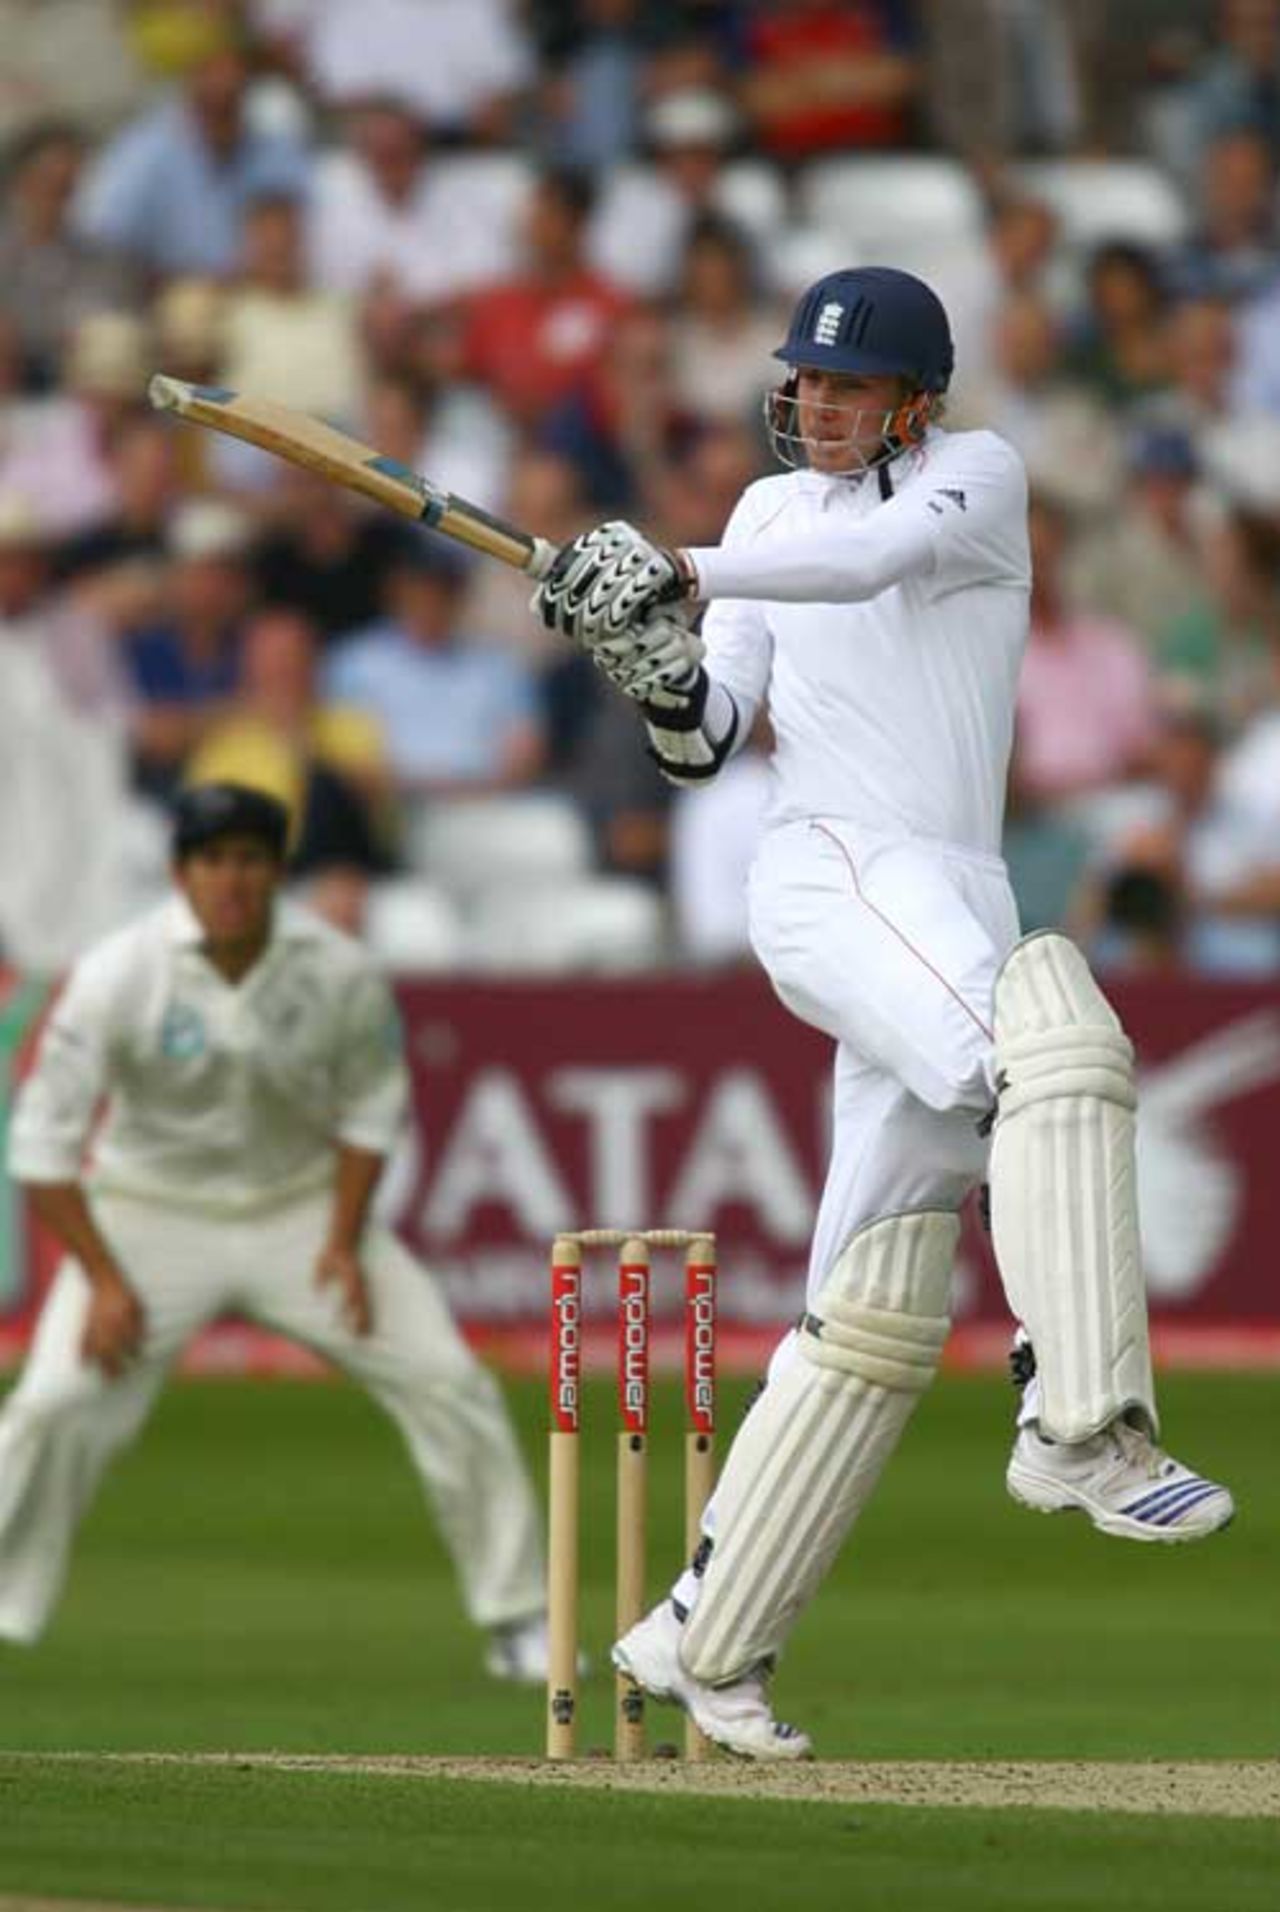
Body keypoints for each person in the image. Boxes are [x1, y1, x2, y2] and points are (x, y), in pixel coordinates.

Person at [533, 264, 1235, 1760]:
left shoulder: (978, 477)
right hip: (831, 867)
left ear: (917, 401)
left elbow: (867, 570)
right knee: (1052, 1057)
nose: (818, 403)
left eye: (849, 385)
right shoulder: (762, 516)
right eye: (807, 379)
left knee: (873, 1297)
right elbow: (706, 739)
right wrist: (644, 662)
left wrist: (677, 571)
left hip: (950, 884)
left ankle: (703, 1641)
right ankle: (1081, 1426)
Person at [0, 782, 553, 1682]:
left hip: (303, 1213)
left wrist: (343, 1239)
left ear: (276, 871)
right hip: (146, 1214)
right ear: (182, 873)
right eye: (214, 861)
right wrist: (103, 1280)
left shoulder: (337, 971)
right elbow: (42, 1148)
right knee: (53, 1402)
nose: (232, 880)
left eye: (251, 861)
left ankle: (521, 1619)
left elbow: (370, 1113)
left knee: (450, 1383)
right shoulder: (117, 975)